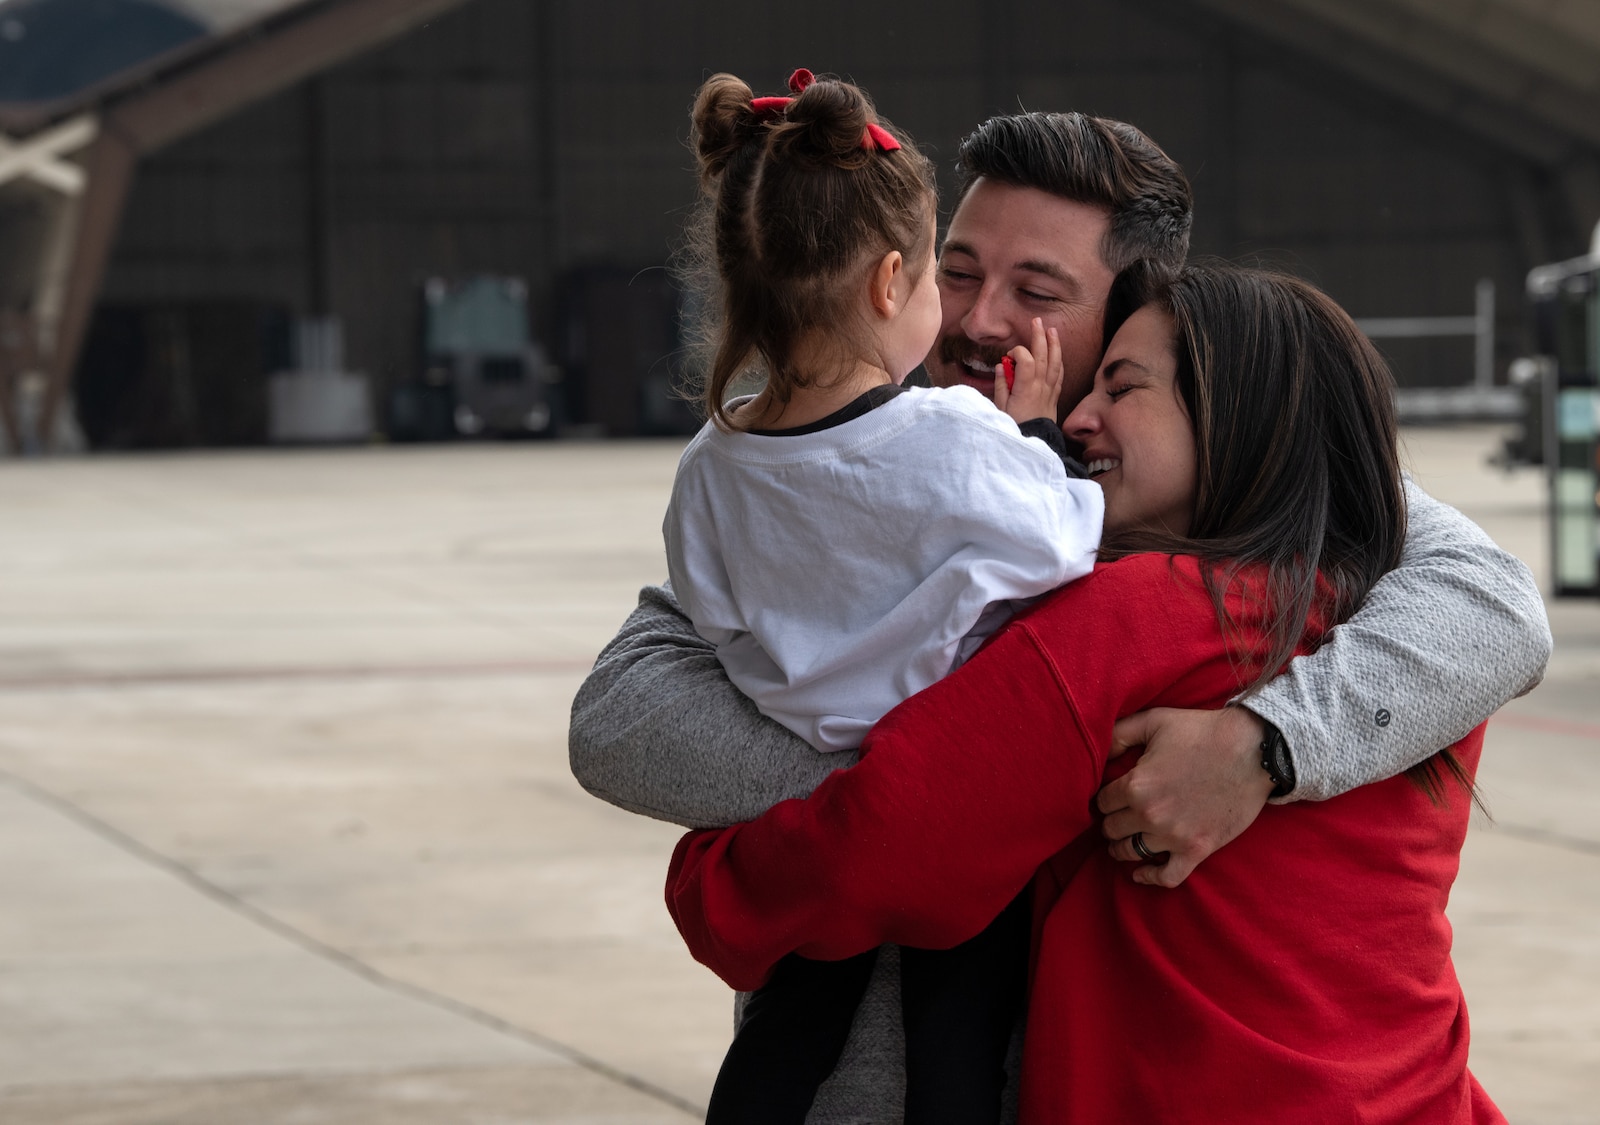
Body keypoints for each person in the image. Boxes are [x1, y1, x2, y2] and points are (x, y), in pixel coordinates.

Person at [572, 107, 1550, 1120]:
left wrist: (1263, 745)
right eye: (953, 271)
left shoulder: (1224, 485)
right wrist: (970, 771)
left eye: (1036, 293)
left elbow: (1491, 608)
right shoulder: (819, 459)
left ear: (1136, 313)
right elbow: (621, 714)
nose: (977, 319)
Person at [666, 71, 1103, 1124]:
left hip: (820, 816)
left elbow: (709, 616)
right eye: (939, 281)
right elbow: (1066, 548)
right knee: (954, 1041)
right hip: (945, 806)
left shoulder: (710, 464)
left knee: (788, 1030)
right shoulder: (953, 440)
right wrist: (1034, 436)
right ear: (889, 281)